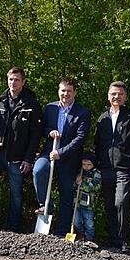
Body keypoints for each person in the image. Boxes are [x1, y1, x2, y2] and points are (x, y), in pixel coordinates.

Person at [0, 67, 41, 232]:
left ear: (23, 82)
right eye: (11, 79)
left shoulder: (31, 104)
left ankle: (14, 228)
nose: (13, 82)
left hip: (18, 157)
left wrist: (28, 159)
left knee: (16, 194)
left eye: (17, 80)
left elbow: (35, 135)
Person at [33, 78, 90, 235]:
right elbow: (42, 128)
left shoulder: (82, 112)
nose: (66, 94)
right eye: (63, 90)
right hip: (49, 152)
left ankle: (62, 231)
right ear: (59, 91)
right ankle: (45, 204)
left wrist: (61, 152)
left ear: (74, 93)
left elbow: (80, 138)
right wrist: (49, 131)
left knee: (66, 192)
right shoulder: (50, 108)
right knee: (38, 170)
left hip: (69, 157)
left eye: (69, 91)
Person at [94, 81, 130, 252]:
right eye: (113, 94)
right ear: (108, 96)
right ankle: (114, 239)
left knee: (121, 202)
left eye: (120, 94)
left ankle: (123, 239)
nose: (116, 97)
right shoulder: (103, 118)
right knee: (108, 204)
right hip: (106, 167)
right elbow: (97, 143)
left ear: (125, 97)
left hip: (125, 167)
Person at [74, 153, 102, 243]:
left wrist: (82, 183)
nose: (86, 166)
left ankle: (89, 238)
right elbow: (74, 186)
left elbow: (95, 187)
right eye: (84, 164)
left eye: (89, 164)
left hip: (89, 204)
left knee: (89, 223)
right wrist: (76, 182)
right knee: (76, 221)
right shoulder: (80, 172)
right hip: (77, 202)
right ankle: (81, 235)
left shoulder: (96, 174)